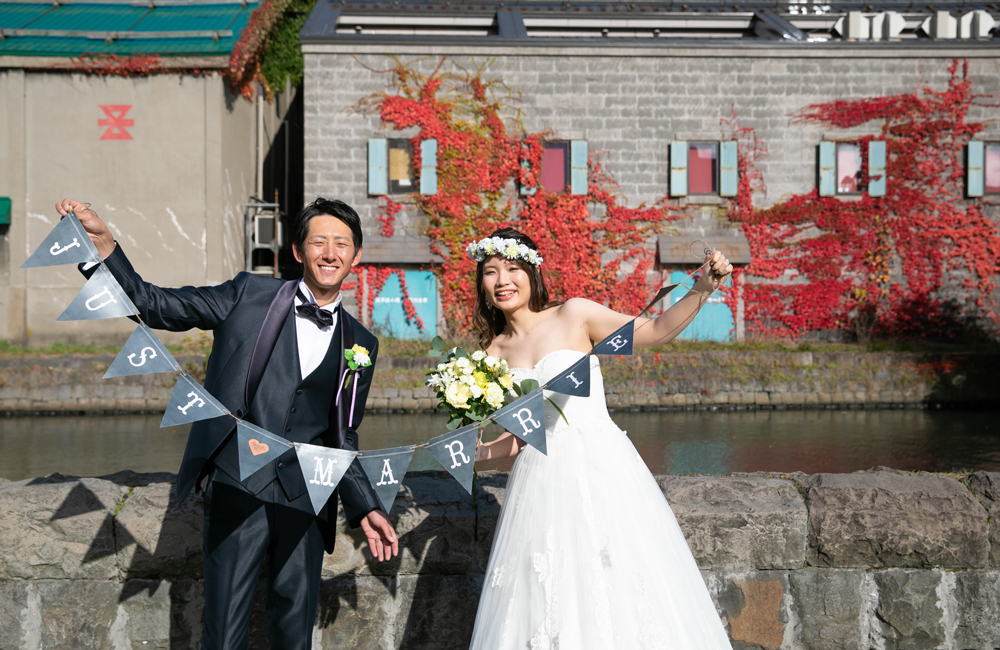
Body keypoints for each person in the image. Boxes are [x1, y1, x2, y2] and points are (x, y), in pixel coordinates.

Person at [55, 197, 399, 650]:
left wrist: (365, 505)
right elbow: (155, 305)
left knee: (295, 633)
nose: (330, 252)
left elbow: (341, 434)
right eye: (319, 241)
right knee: (224, 632)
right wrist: (103, 246)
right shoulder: (247, 294)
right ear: (298, 251)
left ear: (356, 258)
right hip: (239, 485)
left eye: (342, 244)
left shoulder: (363, 343)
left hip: (308, 499)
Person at [469, 228, 735, 649]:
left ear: (532, 273)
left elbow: (654, 330)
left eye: (513, 269)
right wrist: (480, 452)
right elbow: (521, 436)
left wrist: (704, 288)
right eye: (491, 271)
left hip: (602, 465)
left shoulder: (573, 315)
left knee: (620, 584)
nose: (503, 280)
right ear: (482, 284)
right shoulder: (491, 355)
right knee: (547, 595)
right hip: (539, 484)